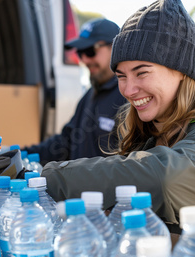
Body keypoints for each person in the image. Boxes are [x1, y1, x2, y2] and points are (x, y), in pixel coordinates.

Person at [41, 0, 195, 236]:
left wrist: (48, 179)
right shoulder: (152, 129)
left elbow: (167, 178)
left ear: (181, 71)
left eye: (142, 73)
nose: (128, 89)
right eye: (121, 76)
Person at [25, 18, 128, 165]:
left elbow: (130, 166)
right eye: (80, 53)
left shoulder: (129, 98)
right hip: (76, 187)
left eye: (90, 51)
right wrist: (22, 154)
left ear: (115, 47)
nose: (84, 60)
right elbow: (65, 142)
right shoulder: (90, 94)